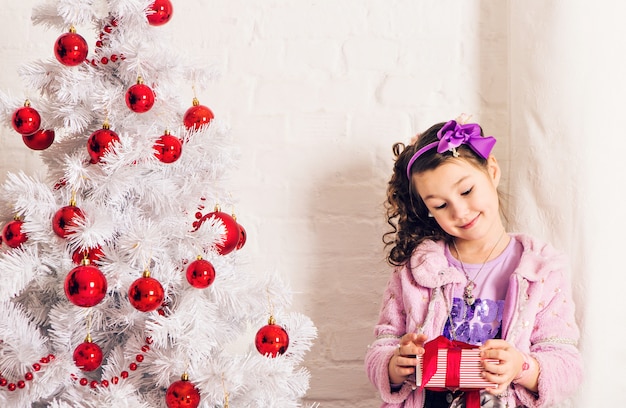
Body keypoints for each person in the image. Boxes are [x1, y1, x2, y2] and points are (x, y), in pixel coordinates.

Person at [364, 117, 582, 408]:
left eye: (466, 191)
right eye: (440, 205)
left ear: (492, 171)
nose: (460, 211)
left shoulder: (541, 271)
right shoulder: (415, 271)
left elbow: (566, 363)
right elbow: (384, 342)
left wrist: (521, 367)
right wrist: (393, 365)